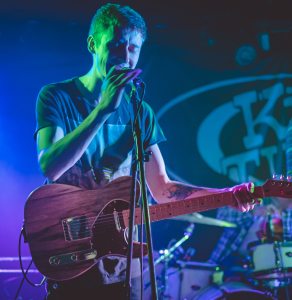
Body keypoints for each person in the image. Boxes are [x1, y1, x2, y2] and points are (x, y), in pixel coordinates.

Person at [34, 4, 259, 300]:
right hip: (72, 256)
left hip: (124, 265)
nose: (124, 56)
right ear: (93, 43)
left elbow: (163, 189)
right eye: (115, 44)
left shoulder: (140, 111)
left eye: (133, 48)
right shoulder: (56, 97)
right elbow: (50, 166)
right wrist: (102, 110)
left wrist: (226, 195)